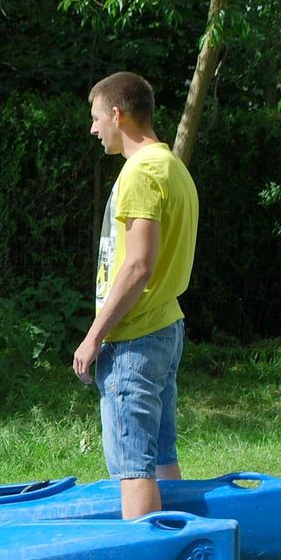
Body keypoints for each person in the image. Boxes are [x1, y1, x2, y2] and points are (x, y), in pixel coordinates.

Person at [73, 71, 199, 520]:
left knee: (133, 467)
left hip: (135, 338)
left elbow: (138, 265)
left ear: (116, 113)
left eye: (95, 118)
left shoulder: (141, 171)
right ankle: (185, 558)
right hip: (164, 326)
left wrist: (94, 336)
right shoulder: (172, 166)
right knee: (161, 458)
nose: (93, 129)